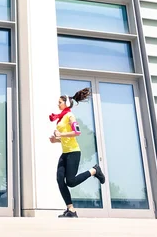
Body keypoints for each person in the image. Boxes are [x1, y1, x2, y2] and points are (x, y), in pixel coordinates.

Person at [49, 88, 106, 218]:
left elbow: (77, 132)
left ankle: (94, 171)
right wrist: (56, 140)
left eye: (60, 102)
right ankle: (71, 210)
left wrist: (61, 134)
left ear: (66, 104)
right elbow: (65, 139)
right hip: (65, 153)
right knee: (59, 179)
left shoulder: (70, 116)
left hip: (74, 153)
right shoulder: (61, 118)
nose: (58, 104)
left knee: (71, 182)